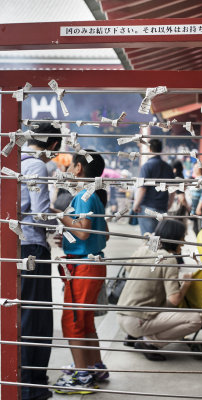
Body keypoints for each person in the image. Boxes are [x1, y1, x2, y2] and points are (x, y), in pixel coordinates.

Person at [53, 151, 109, 395]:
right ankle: (94, 365)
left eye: (70, 164)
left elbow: (84, 233)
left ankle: (83, 375)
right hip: (92, 264)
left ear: (78, 169)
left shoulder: (83, 196)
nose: (67, 168)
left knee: (73, 321)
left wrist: (62, 217)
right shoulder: (94, 195)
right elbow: (103, 234)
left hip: (83, 266)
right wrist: (68, 236)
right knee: (85, 320)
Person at [117, 219, 202, 361]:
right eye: (183, 237)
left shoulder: (143, 250)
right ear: (174, 238)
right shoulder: (169, 259)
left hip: (121, 317)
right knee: (195, 320)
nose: (184, 242)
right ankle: (149, 342)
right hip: (138, 322)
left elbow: (128, 268)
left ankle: (133, 337)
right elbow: (174, 299)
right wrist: (186, 283)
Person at [21, 122, 62, 400]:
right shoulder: (36, 166)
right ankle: (31, 386)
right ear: (53, 146)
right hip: (32, 248)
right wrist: (63, 222)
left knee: (19, 314)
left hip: (12, 247)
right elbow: (39, 213)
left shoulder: (12, 159)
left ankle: (19, 380)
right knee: (35, 318)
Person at [133, 139, 175, 235]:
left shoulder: (147, 166)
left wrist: (136, 204)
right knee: (159, 238)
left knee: (149, 239)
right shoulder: (168, 167)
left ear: (149, 149)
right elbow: (173, 189)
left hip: (147, 208)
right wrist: (170, 204)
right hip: (162, 208)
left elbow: (142, 188)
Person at [189, 162, 202, 236]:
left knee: (198, 229)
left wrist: (199, 208)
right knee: (195, 228)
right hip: (193, 209)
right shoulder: (195, 179)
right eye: (194, 167)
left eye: (196, 167)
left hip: (198, 209)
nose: (194, 169)